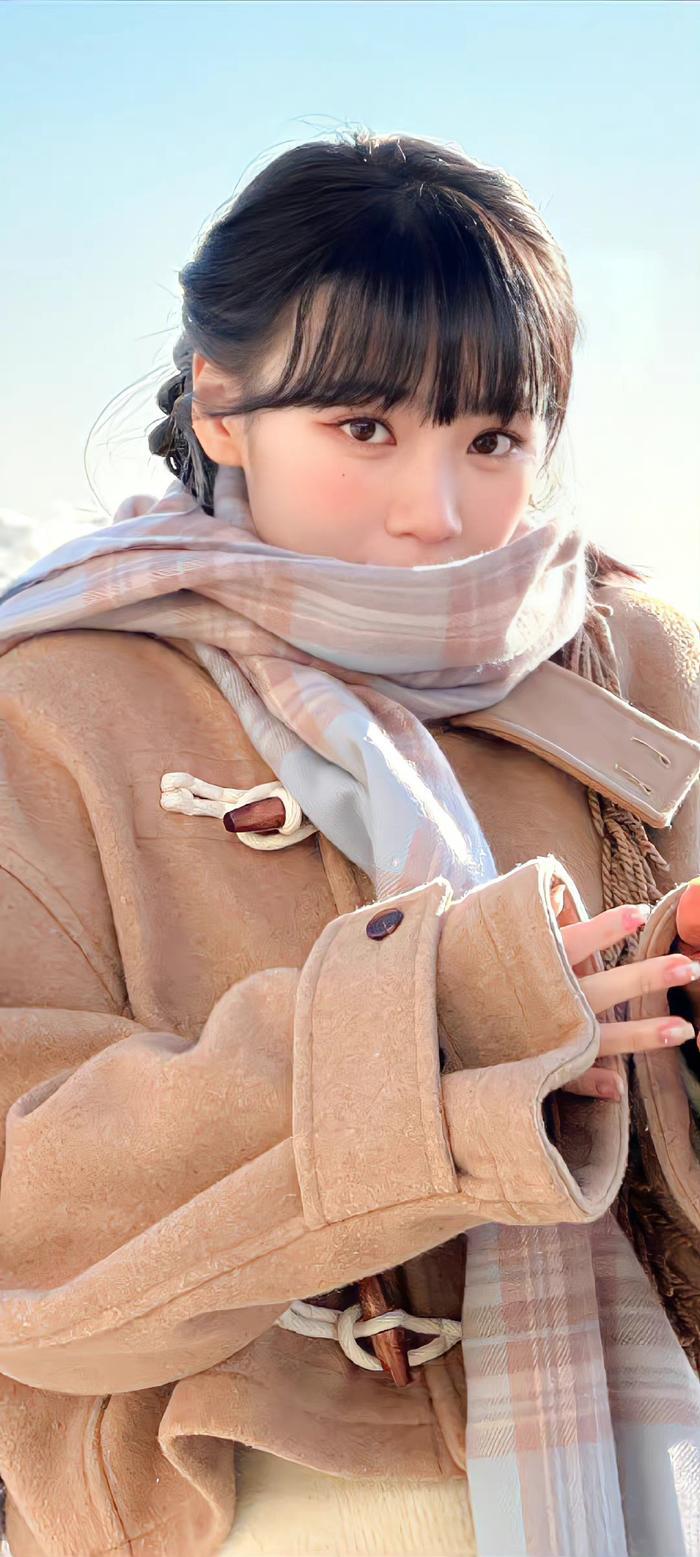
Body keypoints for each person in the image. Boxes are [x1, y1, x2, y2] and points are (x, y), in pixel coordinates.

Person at [0, 130, 698, 1557]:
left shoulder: (638, 662)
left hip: (661, 1472)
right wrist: (447, 1022)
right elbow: (29, 1224)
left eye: (491, 439)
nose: (433, 515)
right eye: (364, 427)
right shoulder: (52, 701)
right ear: (220, 403)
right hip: (261, 1501)